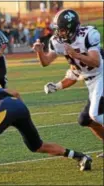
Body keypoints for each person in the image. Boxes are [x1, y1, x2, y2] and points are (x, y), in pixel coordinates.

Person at [32, 9, 103, 158]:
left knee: (95, 114)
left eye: (62, 30)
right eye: (58, 30)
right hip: (91, 82)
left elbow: (96, 62)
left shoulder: (88, 35)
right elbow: (46, 62)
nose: (59, 33)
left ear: (72, 28)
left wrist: (75, 54)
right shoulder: (57, 42)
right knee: (85, 120)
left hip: (101, 74)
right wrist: (39, 52)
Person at [44, 65, 104, 158]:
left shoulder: (90, 51)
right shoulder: (73, 55)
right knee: (85, 119)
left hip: (100, 87)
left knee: (95, 115)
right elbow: (74, 75)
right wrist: (56, 86)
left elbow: (94, 60)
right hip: (95, 90)